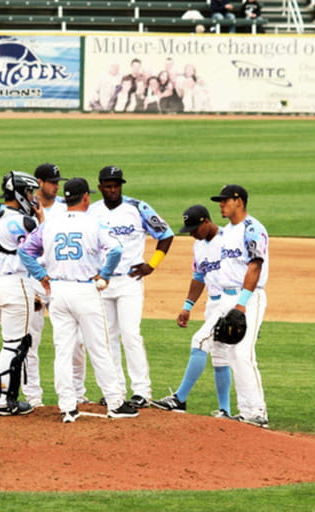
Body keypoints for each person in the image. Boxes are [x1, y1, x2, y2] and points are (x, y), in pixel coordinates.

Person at [19, 178, 139, 423]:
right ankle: (115, 403)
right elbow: (116, 250)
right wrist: (105, 274)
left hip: (58, 292)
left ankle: (67, 407)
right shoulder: (94, 222)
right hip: (85, 291)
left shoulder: (50, 224)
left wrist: (41, 275)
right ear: (85, 197)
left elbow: (25, 251)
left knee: (63, 350)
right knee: (99, 348)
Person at [153, 185, 271, 428]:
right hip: (226, 299)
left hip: (247, 298)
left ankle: (258, 411)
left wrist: (241, 305)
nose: (221, 205)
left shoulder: (252, 228)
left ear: (239, 202)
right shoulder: (228, 233)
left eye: (225, 201)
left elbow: (255, 266)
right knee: (233, 355)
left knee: (242, 354)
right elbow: (204, 274)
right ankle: (246, 411)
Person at [89, 166, 174, 409]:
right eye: (108, 186)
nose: (113, 190)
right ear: (100, 187)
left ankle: (142, 391)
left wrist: (152, 265)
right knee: (108, 338)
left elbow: (166, 235)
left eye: (116, 185)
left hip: (129, 280)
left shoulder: (138, 207)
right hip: (102, 282)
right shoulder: (92, 211)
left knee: (130, 334)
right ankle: (115, 390)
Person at [150, 205, 235, 419]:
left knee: (199, 341)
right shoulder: (199, 246)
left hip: (229, 302)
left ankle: (179, 398)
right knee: (220, 357)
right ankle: (225, 411)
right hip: (213, 304)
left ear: (206, 221)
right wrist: (187, 306)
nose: (192, 234)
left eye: (195, 229)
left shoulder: (227, 240)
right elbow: (199, 277)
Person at [0, 171, 43, 416]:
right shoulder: (22, 221)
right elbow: (43, 244)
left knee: (11, 343)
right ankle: (4, 401)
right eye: (29, 192)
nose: (33, 197)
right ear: (19, 193)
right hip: (16, 285)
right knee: (16, 345)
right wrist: (41, 219)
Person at [28, 163, 90, 407]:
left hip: (60, 283)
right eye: (52, 182)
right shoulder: (27, 208)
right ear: (39, 183)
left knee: (76, 343)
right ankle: (33, 397)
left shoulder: (66, 208)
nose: (56, 186)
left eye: (57, 182)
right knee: (30, 341)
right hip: (35, 281)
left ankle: (78, 393)